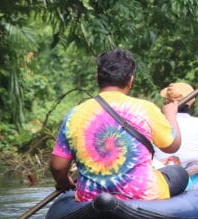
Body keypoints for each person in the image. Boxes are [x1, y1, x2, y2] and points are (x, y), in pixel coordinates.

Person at [49, 48, 188, 201]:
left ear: (97, 78)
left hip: (90, 197)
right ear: (130, 80)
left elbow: (58, 167)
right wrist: (171, 115)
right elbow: (172, 146)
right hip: (142, 195)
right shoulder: (145, 108)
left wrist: (64, 183)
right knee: (178, 173)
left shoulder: (74, 114)